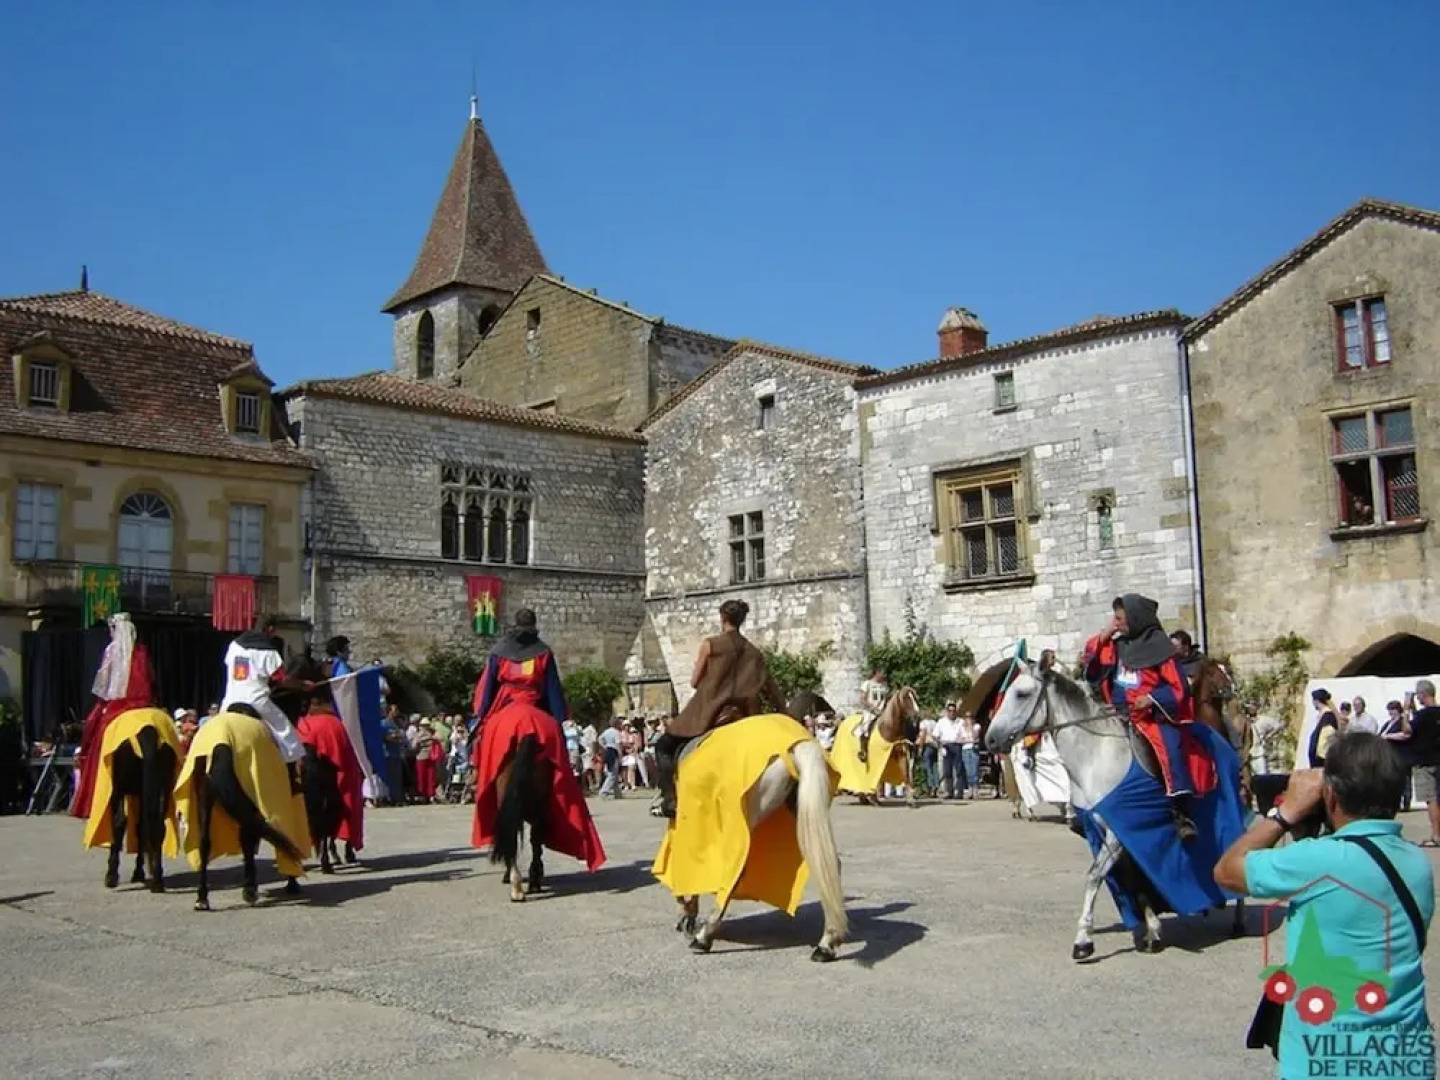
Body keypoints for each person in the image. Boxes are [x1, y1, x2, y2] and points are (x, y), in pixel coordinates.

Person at [1215, 734, 1433, 1078]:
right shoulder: (1417, 862)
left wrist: (1285, 813)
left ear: (1330, 795)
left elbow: (1226, 871)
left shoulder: (1317, 861)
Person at [469, 608, 604, 871]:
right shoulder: (543, 652)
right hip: (534, 708)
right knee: (555, 750)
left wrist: (482, 715)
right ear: (534, 627)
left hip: (504, 708)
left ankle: (477, 775)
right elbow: (552, 690)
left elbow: (487, 691)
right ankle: (561, 778)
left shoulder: (498, 652)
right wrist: (558, 719)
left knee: (484, 740)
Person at [653, 598, 784, 819]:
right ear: (742, 620)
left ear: (723, 618)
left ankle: (670, 798)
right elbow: (771, 689)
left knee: (663, 746)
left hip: (711, 711)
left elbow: (695, 681)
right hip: (745, 715)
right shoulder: (754, 653)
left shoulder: (710, 644)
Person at [1083, 594, 1199, 841]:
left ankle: (1180, 812)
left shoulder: (1161, 650)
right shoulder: (1116, 646)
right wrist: (1102, 637)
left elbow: (1179, 688)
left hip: (1150, 717)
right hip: (1117, 713)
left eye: (1120, 619)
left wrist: (1152, 699)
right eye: (1115, 619)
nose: (1116, 624)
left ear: (1135, 618)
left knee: (1170, 748)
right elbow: (1092, 670)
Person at [70, 613, 155, 820]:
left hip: (118, 704)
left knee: (94, 730)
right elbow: (151, 679)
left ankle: (95, 795)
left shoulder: (111, 650)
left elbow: (103, 686)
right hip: (143, 705)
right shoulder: (143, 651)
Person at [220, 615, 309, 765]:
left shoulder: (235, 645)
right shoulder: (268, 651)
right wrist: (302, 685)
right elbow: (281, 679)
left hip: (230, 699)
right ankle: (293, 765)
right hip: (256, 700)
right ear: (270, 629)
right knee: (287, 734)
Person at [1407, 680, 1440, 848]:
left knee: (1431, 799)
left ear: (1422, 694)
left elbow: (1408, 730)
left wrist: (1406, 709)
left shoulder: (1422, 716)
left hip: (1425, 761)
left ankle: (1436, 835)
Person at [854, 670, 891, 764]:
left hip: (883, 712)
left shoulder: (884, 686)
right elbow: (862, 699)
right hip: (870, 711)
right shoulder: (867, 683)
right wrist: (872, 708)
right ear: (877, 673)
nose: (884, 675)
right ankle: (863, 751)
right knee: (864, 727)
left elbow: (886, 700)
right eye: (883, 672)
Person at [1307, 689, 1340, 768]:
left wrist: (1320, 755)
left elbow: (1326, 737)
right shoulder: (1322, 715)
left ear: (1316, 701)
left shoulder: (1328, 716)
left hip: (1321, 761)